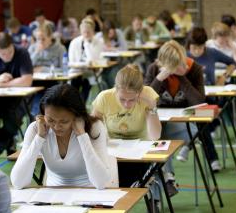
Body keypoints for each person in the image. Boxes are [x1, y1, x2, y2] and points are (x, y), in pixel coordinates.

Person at [10, 84, 116, 189]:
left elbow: (100, 183)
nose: (56, 126)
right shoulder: (36, 129)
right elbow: (18, 182)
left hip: (90, 193)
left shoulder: (94, 127)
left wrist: (82, 135)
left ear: (77, 115)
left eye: (64, 121)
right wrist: (39, 137)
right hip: (53, 196)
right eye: (50, 120)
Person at [144, 40, 221, 183]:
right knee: (157, 136)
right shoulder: (154, 69)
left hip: (187, 117)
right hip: (162, 119)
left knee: (195, 130)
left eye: (181, 61)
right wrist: (160, 78)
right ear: (163, 64)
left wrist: (181, 77)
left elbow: (200, 102)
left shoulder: (194, 68)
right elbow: (145, 99)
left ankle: (204, 156)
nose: (182, 66)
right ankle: (168, 178)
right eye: (175, 65)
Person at [92, 64, 161, 186]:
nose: (127, 104)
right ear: (115, 90)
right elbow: (93, 130)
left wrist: (152, 107)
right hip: (113, 150)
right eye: (122, 99)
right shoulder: (105, 97)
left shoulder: (148, 94)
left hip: (140, 151)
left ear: (139, 93)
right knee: (103, 173)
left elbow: (155, 135)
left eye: (132, 100)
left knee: (125, 178)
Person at [28, 24, 66, 116]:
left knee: (40, 103)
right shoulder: (33, 48)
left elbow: (64, 70)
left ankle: (36, 116)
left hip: (52, 82)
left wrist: (43, 69)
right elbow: (27, 67)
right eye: (38, 39)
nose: (40, 42)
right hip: (34, 82)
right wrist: (37, 53)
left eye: (43, 39)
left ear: (50, 37)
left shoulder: (60, 48)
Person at [69, 17, 104, 102]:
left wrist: (87, 45)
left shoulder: (98, 42)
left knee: (86, 83)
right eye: (84, 32)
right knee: (75, 83)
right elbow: (71, 62)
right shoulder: (74, 42)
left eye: (89, 32)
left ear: (93, 31)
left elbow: (94, 61)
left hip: (92, 73)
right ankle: (75, 106)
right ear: (81, 32)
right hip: (77, 72)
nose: (86, 34)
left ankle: (81, 106)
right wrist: (84, 65)